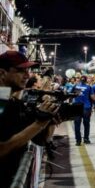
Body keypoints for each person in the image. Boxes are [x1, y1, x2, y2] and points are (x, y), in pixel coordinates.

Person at [0, 51, 59, 187]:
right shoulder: (2, 102)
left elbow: (40, 140)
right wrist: (39, 124)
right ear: (2, 73)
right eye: (21, 70)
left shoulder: (12, 101)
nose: (28, 75)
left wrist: (49, 120)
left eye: (28, 70)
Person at [71, 76, 93, 145]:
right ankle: (86, 139)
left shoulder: (75, 86)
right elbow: (92, 98)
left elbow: (71, 95)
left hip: (77, 107)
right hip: (86, 107)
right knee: (86, 124)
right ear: (86, 80)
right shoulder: (89, 87)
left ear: (80, 80)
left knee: (77, 124)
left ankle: (78, 140)